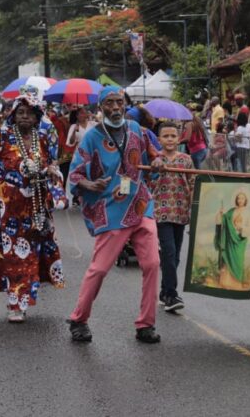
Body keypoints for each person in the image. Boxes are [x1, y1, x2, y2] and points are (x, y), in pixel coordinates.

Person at [67, 86, 163, 344]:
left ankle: (146, 324)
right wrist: (90, 185)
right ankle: (78, 319)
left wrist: (157, 162)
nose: (116, 108)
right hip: (111, 211)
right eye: (110, 103)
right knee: (99, 269)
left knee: (152, 264)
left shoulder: (137, 130)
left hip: (141, 203)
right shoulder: (92, 137)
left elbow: (156, 158)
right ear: (101, 107)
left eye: (119, 102)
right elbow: (75, 175)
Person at [0, 94, 67, 323]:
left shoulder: (41, 138)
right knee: (15, 255)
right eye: (21, 113)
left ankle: (23, 298)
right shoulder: (1, 136)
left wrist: (52, 172)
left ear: (37, 118)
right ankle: (15, 304)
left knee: (32, 253)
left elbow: (49, 163)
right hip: (7, 209)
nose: (25, 117)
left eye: (30, 114)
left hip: (35, 206)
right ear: (13, 116)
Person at [149, 122, 195, 313]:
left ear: (179, 138)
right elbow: (149, 182)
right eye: (165, 136)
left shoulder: (186, 160)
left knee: (175, 256)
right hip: (162, 213)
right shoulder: (155, 159)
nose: (169, 139)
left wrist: (193, 209)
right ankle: (171, 295)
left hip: (181, 212)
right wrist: (155, 167)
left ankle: (164, 291)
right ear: (159, 139)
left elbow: (192, 185)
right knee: (168, 252)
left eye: (173, 136)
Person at [215, 191, 250, 290]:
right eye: (238, 198)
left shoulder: (247, 212)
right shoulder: (232, 210)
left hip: (239, 240)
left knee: (238, 261)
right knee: (227, 260)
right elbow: (224, 221)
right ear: (236, 199)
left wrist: (241, 228)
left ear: (246, 200)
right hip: (229, 240)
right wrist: (221, 214)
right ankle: (225, 282)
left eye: (242, 198)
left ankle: (236, 284)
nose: (240, 200)